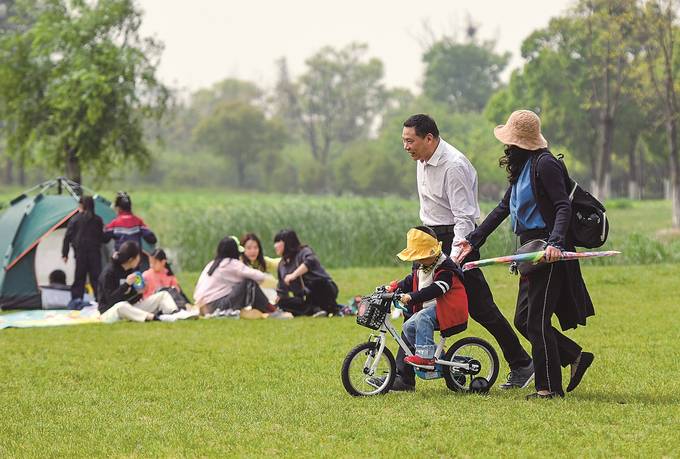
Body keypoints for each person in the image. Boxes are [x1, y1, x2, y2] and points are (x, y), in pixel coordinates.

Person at [456, 109, 595, 399]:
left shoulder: (545, 165)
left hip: (547, 251)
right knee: (523, 319)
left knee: (537, 321)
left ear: (519, 141)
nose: (506, 146)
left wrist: (555, 243)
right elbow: (502, 209)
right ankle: (574, 356)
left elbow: (562, 206)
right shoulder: (523, 168)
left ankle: (548, 389)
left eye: (510, 141)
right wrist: (473, 240)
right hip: (527, 251)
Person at [391, 113, 533, 392]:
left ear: (429, 138)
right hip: (429, 240)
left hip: (456, 242)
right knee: (415, 301)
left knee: (482, 308)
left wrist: (453, 259)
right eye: (404, 141)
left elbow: (464, 218)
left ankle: (522, 364)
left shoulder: (454, 165)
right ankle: (403, 377)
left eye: (410, 141)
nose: (406, 146)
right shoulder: (421, 160)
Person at [390, 226, 469, 366]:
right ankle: (437, 357)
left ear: (434, 253)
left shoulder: (445, 267)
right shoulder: (423, 265)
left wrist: (412, 297)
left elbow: (437, 289)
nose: (420, 260)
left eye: (423, 257)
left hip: (448, 309)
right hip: (433, 308)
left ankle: (425, 357)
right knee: (408, 326)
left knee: (423, 317)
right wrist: (396, 287)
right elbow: (412, 280)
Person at [97, 241, 196, 323]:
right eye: (138, 256)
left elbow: (130, 299)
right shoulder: (109, 273)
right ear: (132, 259)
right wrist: (126, 285)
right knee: (121, 306)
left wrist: (139, 293)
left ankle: (175, 314)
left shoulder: (130, 271)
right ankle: (156, 317)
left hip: (130, 308)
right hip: (109, 312)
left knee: (162, 295)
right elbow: (110, 300)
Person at [194, 236, 290, 319]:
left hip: (202, 307)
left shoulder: (212, 264)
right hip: (217, 306)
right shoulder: (231, 263)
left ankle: (266, 309)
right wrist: (279, 285)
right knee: (249, 282)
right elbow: (258, 276)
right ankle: (271, 311)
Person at [273, 229, 339, 317]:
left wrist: (294, 275)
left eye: (278, 242)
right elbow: (282, 289)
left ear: (287, 242)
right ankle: (317, 310)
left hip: (324, 289)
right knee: (283, 303)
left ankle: (326, 308)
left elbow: (311, 261)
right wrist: (277, 301)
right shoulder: (282, 265)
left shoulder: (304, 251)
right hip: (304, 298)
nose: (275, 246)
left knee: (317, 283)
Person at [61, 195, 104, 300]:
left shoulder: (75, 220)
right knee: (96, 278)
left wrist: (65, 253)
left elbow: (67, 237)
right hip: (95, 254)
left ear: (81, 205)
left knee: (79, 278)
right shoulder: (98, 220)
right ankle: (100, 300)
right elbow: (102, 237)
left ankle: (76, 301)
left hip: (80, 254)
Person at [103, 191, 157, 271]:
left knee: (121, 282)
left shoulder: (114, 223)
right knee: (137, 281)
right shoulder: (138, 221)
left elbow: (104, 238)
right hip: (135, 263)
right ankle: (137, 283)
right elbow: (152, 239)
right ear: (130, 207)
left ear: (118, 208)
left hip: (120, 263)